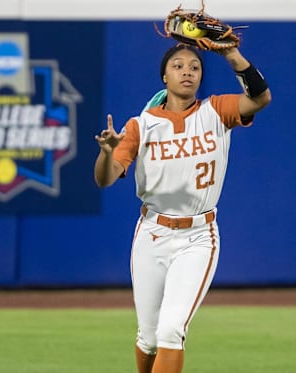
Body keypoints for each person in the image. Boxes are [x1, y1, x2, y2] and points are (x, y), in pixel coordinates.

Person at [93, 42, 271, 373]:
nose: (186, 71)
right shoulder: (141, 125)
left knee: (172, 329)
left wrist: (232, 56)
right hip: (153, 234)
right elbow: (105, 179)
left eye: (194, 66)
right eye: (178, 65)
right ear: (164, 76)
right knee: (148, 337)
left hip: (198, 237)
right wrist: (107, 152)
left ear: (201, 77)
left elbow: (260, 98)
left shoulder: (216, 111)